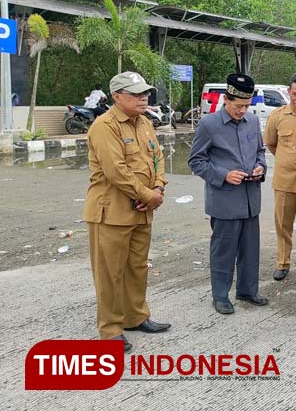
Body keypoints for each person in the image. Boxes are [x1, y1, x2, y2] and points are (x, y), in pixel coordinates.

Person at [83, 71, 170, 352]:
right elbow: (116, 171)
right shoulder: (104, 126)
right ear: (117, 97)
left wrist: (158, 187)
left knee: (137, 267)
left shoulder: (144, 122)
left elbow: (157, 157)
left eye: (145, 93)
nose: (143, 98)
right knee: (110, 273)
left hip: (142, 210)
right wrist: (149, 195)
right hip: (112, 213)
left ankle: (135, 316)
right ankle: (110, 330)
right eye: (136, 94)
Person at [188, 73, 268, 315]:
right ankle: (220, 295)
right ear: (226, 99)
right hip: (224, 200)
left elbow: (260, 152)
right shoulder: (209, 124)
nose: (242, 111)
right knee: (224, 250)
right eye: (238, 106)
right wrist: (223, 175)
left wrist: (260, 167)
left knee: (250, 249)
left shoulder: (253, 122)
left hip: (250, 198)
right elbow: (196, 161)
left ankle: (247, 290)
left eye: (246, 106)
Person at [263, 72, 296, 281]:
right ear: (288, 92)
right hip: (284, 181)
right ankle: (282, 262)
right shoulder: (277, 116)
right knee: (283, 224)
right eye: (294, 94)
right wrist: (286, 161)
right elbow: (271, 143)